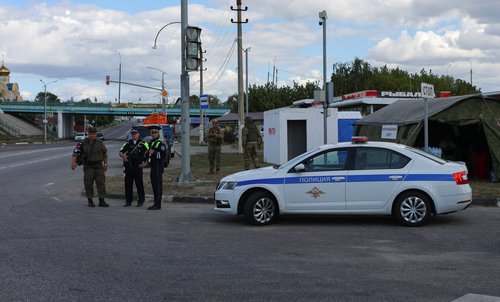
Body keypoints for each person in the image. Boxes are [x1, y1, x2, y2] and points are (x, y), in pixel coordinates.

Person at [71, 127, 109, 207]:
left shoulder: (100, 143)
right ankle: (90, 200)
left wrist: (105, 164)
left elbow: (105, 155)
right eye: (91, 134)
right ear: (88, 134)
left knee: (101, 183)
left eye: (94, 134)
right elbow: (75, 153)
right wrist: (73, 163)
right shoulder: (82, 143)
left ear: (96, 134)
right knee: (88, 183)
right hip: (88, 167)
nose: (92, 135)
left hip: (99, 166)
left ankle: (101, 200)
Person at [119, 129, 149, 207]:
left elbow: (149, 153)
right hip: (129, 167)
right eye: (132, 134)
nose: (134, 135)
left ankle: (141, 201)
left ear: (138, 134)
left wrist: (145, 163)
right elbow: (120, 152)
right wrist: (123, 156)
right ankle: (128, 201)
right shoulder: (127, 143)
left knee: (139, 185)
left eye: (135, 134)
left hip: (138, 167)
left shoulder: (144, 143)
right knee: (128, 185)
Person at [147, 125, 167, 210]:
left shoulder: (160, 143)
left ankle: (158, 204)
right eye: (152, 132)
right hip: (153, 166)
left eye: (155, 132)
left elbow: (163, 155)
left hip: (158, 166)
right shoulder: (151, 142)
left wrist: (154, 152)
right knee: (154, 185)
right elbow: (149, 155)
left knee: (158, 185)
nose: (153, 134)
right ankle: (155, 203)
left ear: (158, 133)